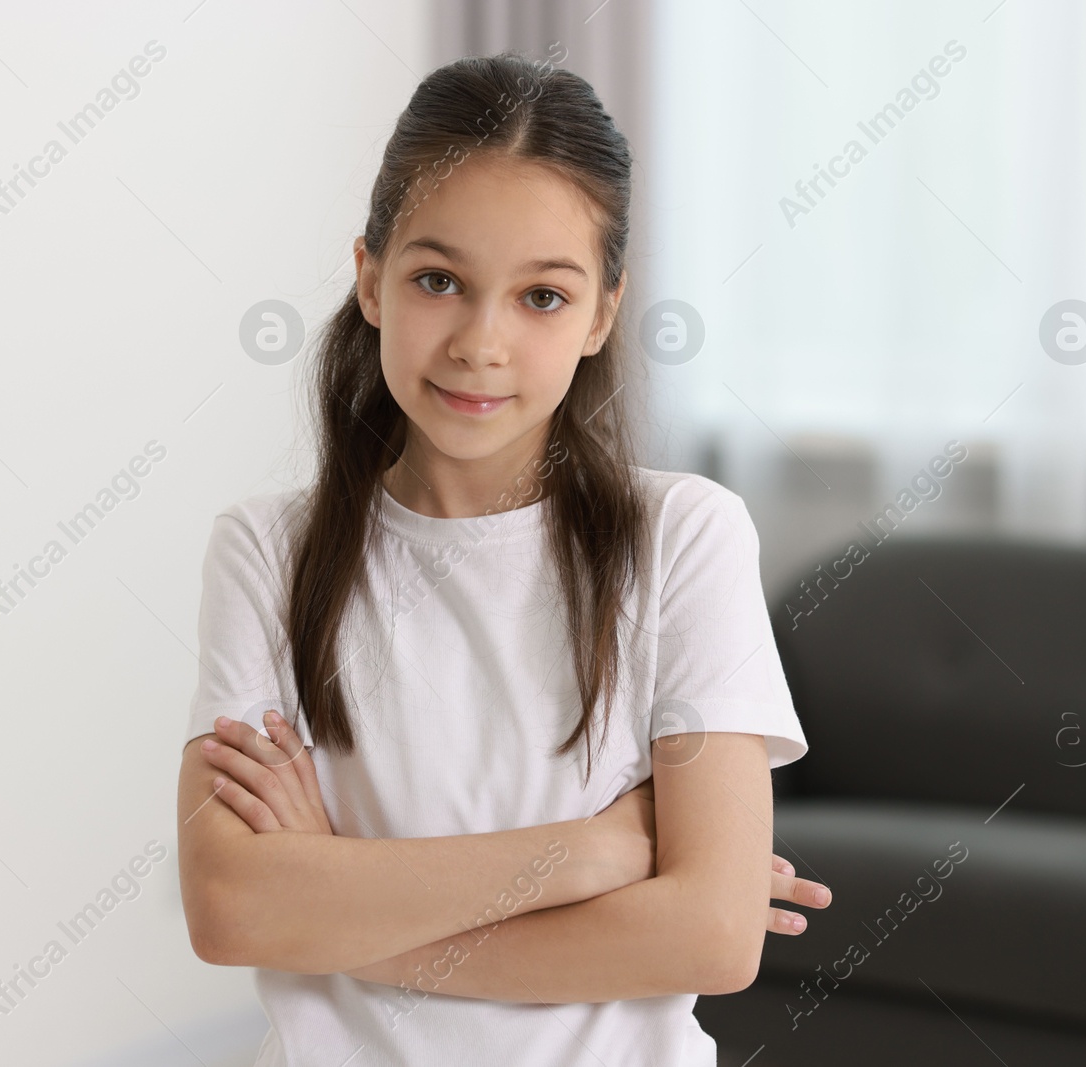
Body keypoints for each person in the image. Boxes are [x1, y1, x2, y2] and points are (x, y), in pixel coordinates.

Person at [176, 50, 831, 1067]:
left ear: (601, 313)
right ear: (371, 280)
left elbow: (710, 933)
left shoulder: (685, 536)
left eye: (541, 297)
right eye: (439, 280)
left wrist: (338, 898)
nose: (481, 341)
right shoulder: (269, 550)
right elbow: (230, 907)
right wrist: (597, 851)